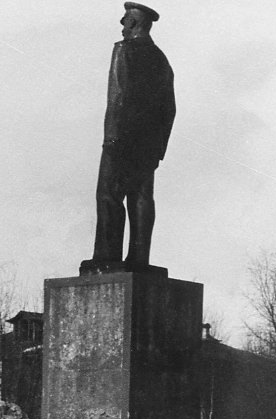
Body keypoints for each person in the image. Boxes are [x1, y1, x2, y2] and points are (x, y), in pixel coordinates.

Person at [81, 3, 176, 272]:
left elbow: (118, 96)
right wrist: (159, 147)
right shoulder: (161, 60)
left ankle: (106, 257)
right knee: (142, 197)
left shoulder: (124, 50)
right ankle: (139, 259)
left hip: (121, 139)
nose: (122, 27)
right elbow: (169, 108)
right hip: (148, 145)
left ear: (134, 23)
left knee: (108, 195)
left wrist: (111, 138)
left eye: (124, 22)